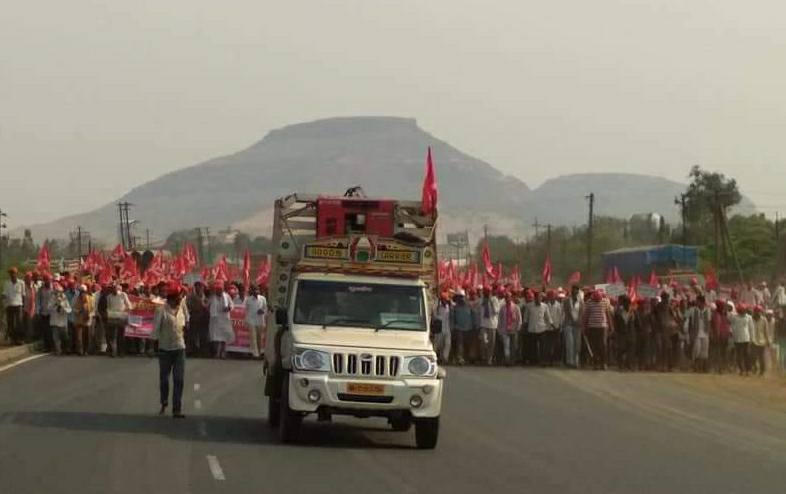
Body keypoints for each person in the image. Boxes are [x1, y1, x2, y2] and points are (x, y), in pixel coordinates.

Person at [151, 283, 189, 419]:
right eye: (178, 297)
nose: (180, 299)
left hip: (179, 348)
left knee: (179, 379)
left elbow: (187, 319)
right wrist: (154, 345)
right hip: (165, 349)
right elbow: (155, 328)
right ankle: (164, 402)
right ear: (172, 298)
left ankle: (177, 408)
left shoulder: (182, 306)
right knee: (164, 379)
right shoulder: (161, 309)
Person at [582, 290, 613, 370]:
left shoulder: (605, 302)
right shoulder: (589, 302)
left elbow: (608, 314)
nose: (597, 301)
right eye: (596, 300)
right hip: (592, 327)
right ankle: (595, 363)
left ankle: (603, 363)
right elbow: (586, 315)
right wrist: (584, 326)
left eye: (598, 300)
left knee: (603, 345)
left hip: (603, 327)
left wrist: (611, 326)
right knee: (594, 346)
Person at [653, 292, 682, 371]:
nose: (666, 299)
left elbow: (674, 317)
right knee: (662, 349)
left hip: (668, 330)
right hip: (660, 330)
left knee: (667, 349)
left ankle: (666, 366)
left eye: (667, 298)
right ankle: (662, 365)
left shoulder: (669, 307)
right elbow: (655, 318)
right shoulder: (658, 307)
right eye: (665, 298)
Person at [525, 291, 554, 366]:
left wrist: (552, 324)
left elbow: (548, 317)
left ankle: (543, 361)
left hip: (542, 328)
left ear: (542, 298)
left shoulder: (545, 306)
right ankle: (533, 361)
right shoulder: (529, 306)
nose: (539, 299)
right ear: (535, 297)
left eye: (540, 297)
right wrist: (524, 326)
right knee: (532, 346)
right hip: (532, 329)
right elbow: (526, 318)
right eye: (537, 297)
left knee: (543, 346)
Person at [106, 284, 134, 357]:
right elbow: (108, 307)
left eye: (116, 289)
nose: (114, 290)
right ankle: (113, 352)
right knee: (113, 336)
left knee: (121, 336)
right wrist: (109, 314)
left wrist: (127, 311)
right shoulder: (109, 297)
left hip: (121, 317)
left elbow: (129, 305)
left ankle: (121, 352)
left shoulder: (123, 295)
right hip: (112, 317)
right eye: (113, 289)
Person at [209, 282, 234, 359]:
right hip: (216, 320)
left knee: (224, 337)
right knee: (217, 338)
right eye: (217, 290)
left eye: (220, 290)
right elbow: (207, 305)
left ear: (222, 290)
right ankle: (217, 353)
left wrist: (229, 308)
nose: (218, 291)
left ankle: (223, 353)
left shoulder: (227, 296)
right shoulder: (213, 297)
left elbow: (232, 305)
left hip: (225, 319)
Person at [686, 295, 711, 373]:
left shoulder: (708, 310)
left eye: (698, 301)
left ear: (702, 302)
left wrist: (709, 332)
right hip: (696, 333)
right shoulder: (692, 310)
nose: (696, 302)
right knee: (696, 350)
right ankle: (694, 365)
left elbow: (709, 322)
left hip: (705, 333)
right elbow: (686, 318)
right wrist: (689, 331)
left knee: (704, 352)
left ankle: (700, 368)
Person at [496, 292, 522, 366]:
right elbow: (500, 319)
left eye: (509, 297)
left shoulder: (516, 307)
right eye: (506, 297)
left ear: (511, 298)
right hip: (505, 329)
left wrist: (518, 328)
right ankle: (507, 360)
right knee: (506, 345)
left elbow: (519, 319)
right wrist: (499, 330)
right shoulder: (502, 308)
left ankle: (512, 360)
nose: (508, 299)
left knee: (513, 346)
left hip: (514, 329)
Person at [562, 285, 584, 369]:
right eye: (573, 292)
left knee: (577, 344)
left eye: (576, 292)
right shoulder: (566, 301)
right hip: (568, 324)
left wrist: (578, 321)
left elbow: (582, 313)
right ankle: (569, 361)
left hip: (577, 325)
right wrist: (572, 320)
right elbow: (566, 312)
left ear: (578, 292)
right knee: (570, 343)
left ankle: (576, 361)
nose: (575, 293)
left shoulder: (581, 302)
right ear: (571, 292)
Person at [451, 289, 475, 365]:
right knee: (460, 344)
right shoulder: (455, 307)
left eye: (462, 297)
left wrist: (474, 325)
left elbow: (473, 316)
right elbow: (453, 318)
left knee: (468, 344)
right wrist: (453, 327)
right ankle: (460, 358)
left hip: (469, 328)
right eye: (459, 297)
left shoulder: (469, 305)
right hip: (459, 328)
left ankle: (468, 358)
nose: (460, 298)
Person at [614, 295, 638, 371]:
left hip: (631, 333)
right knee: (621, 349)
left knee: (631, 350)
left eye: (628, 303)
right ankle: (621, 365)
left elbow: (637, 323)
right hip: (622, 333)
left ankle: (629, 365)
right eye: (625, 303)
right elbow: (616, 323)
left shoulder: (633, 311)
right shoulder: (619, 312)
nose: (627, 304)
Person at [187, 281, 211, 357]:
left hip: (203, 318)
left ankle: (203, 351)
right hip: (194, 317)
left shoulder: (204, 296)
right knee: (193, 335)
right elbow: (189, 305)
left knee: (203, 336)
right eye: (197, 286)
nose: (199, 288)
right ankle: (192, 351)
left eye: (200, 286)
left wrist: (205, 305)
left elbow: (207, 305)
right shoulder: (191, 296)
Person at [478, 287, 501, 366]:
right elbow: (478, 311)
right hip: (483, 324)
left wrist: (491, 303)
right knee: (483, 341)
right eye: (485, 292)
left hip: (492, 325)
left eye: (488, 292)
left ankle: (489, 359)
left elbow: (496, 311)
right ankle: (484, 357)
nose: (487, 294)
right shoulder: (481, 300)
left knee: (491, 343)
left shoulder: (494, 300)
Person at [2, 267, 25, 345]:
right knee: (10, 323)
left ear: (16, 273)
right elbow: (4, 294)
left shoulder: (21, 283)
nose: (12, 274)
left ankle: (19, 339)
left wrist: (23, 306)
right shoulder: (7, 283)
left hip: (18, 305)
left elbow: (23, 295)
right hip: (9, 305)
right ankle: (12, 339)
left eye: (13, 273)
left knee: (19, 323)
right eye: (10, 273)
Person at [244, 284, 267, 359]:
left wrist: (262, 311)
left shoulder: (263, 298)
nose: (256, 291)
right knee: (253, 337)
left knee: (259, 338)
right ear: (252, 291)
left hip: (260, 321)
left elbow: (265, 309)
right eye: (254, 290)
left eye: (257, 289)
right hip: (251, 321)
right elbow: (245, 309)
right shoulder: (248, 299)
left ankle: (259, 353)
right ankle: (255, 354)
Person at [48, 283, 71, 355]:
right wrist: (55, 304)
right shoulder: (52, 299)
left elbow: (69, 309)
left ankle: (66, 349)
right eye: (56, 292)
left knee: (65, 337)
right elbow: (48, 307)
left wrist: (63, 307)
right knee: (56, 338)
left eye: (59, 292)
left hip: (63, 322)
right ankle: (58, 351)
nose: (58, 293)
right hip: (54, 321)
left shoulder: (64, 299)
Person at [730, 304, 753, 376]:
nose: (742, 312)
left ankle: (748, 370)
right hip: (737, 339)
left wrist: (751, 339)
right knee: (739, 355)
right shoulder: (734, 317)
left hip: (746, 338)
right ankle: (741, 370)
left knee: (747, 355)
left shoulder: (748, 317)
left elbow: (751, 328)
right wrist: (733, 337)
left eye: (743, 310)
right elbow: (732, 327)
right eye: (741, 310)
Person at [710, 301, 732, 374]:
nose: (724, 308)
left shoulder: (724, 314)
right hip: (718, 337)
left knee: (723, 353)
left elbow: (728, 324)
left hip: (724, 336)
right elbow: (715, 327)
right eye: (723, 306)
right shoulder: (716, 315)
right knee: (719, 353)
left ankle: (722, 368)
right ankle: (718, 368)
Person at [72, 284, 94, 356]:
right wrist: (79, 311)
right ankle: (80, 351)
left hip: (87, 320)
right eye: (81, 291)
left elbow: (93, 309)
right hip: (78, 320)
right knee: (79, 337)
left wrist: (89, 315)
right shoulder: (76, 298)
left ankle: (86, 350)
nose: (82, 293)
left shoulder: (90, 298)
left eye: (83, 291)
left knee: (86, 337)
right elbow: (73, 308)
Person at [432, 291, 453, 364]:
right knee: (438, 344)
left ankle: (445, 358)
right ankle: (433, 358)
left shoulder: (448, 306)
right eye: (444, 299)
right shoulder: (437, 306)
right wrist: (439, 318)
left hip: (447, 328)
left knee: (447, 343)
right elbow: (434, 316)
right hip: (439, 328)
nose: (445, 301)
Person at [544, 290, 564, 366]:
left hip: (556, 327)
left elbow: (561, 316)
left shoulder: (559, 305)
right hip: (547, 327)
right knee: (547, 345)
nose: (551, 298)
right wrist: (550, 324)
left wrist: (559, 325)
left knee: (556, 344)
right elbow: (546, 316)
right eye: (550, 296)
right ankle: (547, 360)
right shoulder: (545, 305)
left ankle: (555, 360)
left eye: (552, 296)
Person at [36, 274, 54, 351]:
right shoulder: (41, 289)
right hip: (44, 312)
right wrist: (38, 310)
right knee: (45, 330)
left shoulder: (54, 288)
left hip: (52, 313)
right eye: (46, 280)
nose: (47, 281)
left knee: (51, 330)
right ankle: (46, 346)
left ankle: (52, 346)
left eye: (49, 280)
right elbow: (38, 300)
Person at [750, 306, 769, 376]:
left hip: (762, 341)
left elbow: (766, 331)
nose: (758, 313)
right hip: (753, 341)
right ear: (754, 312)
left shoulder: (764, 320)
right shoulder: (751, 319)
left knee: (761, 358)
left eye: (759, 312)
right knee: (753, 357)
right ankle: (754, 369)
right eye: (756, 312)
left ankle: (762, 371)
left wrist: (768, 341)